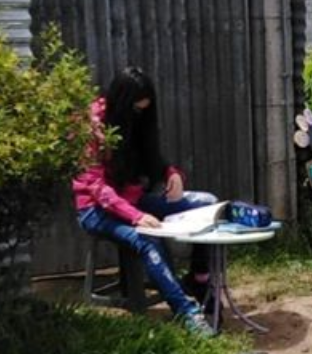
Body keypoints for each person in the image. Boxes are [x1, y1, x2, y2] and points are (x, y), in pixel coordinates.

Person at [73, 66, 217, 337]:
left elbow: (151, 158)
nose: (140, 116)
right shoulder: (91, 127)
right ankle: (187, 314)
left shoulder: (136, 122)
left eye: (145, 110)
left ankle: (198, 280)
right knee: (147, 238)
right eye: (137, 110)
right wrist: (135, 217)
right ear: (123, 104)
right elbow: (96, 188)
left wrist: (172, 174)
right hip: (96, 211)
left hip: (134, 201)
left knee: (207, 202)